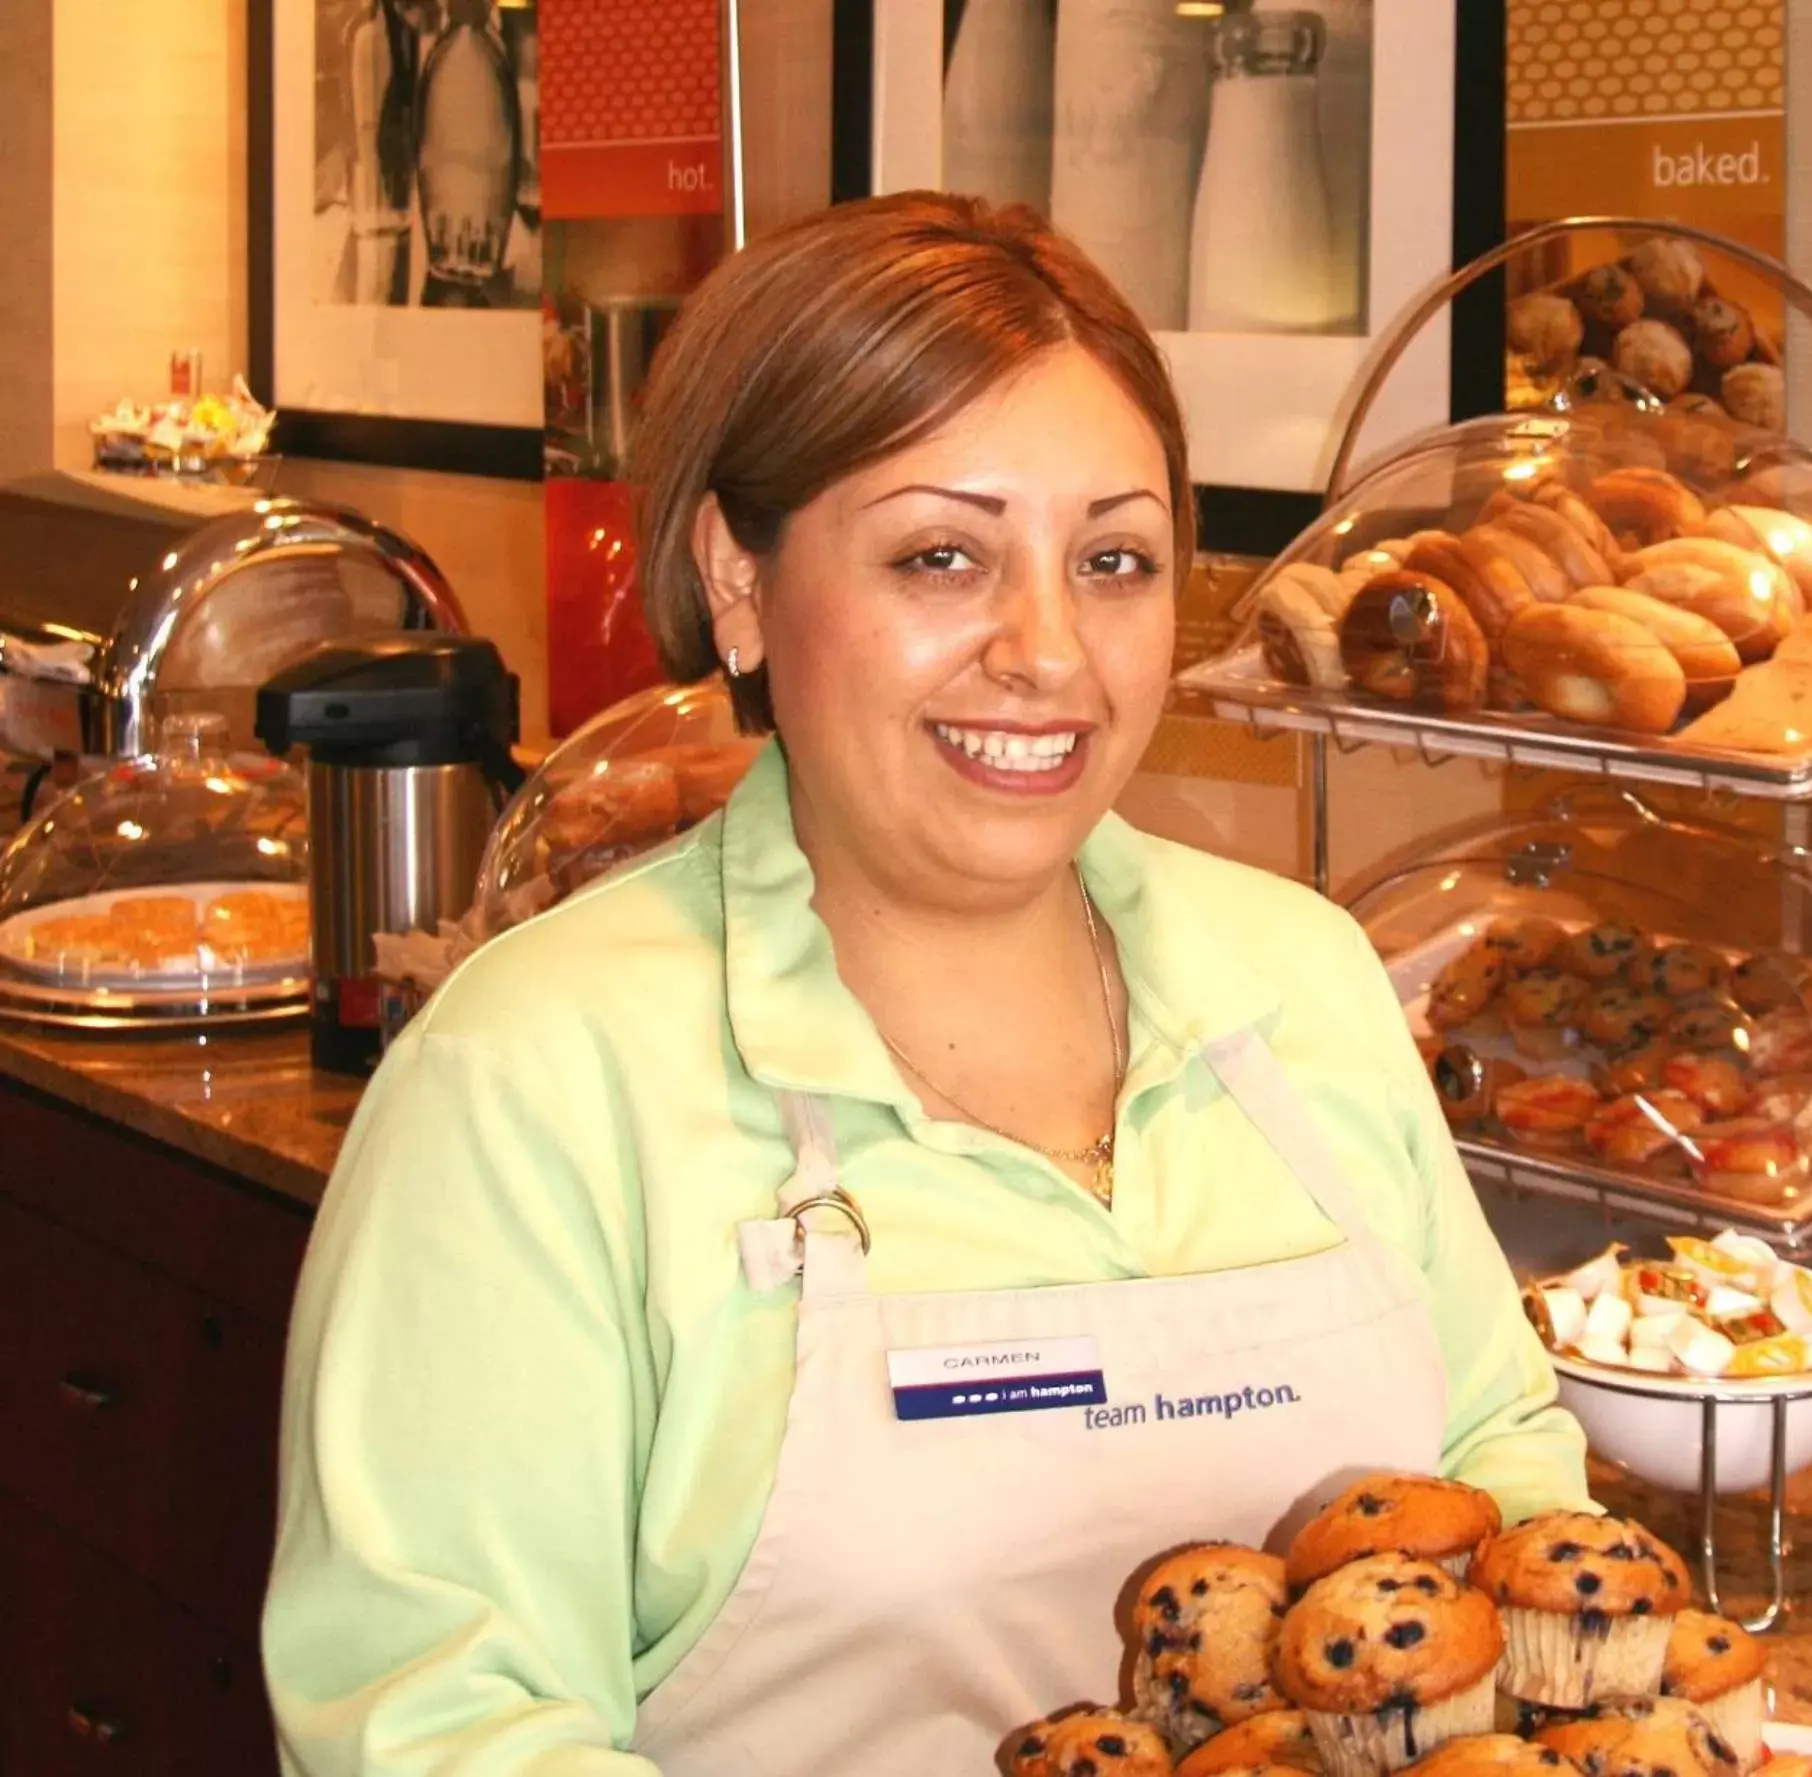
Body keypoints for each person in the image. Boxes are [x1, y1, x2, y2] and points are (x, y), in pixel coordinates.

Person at [262, 192, 1591, 1776]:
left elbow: (1496, 1469)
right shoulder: (536, 1077)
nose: (1046, 650)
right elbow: (434, 1728)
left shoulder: (1293, 977)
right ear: (739, 579)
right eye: (941, 555)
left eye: (1113, 558)